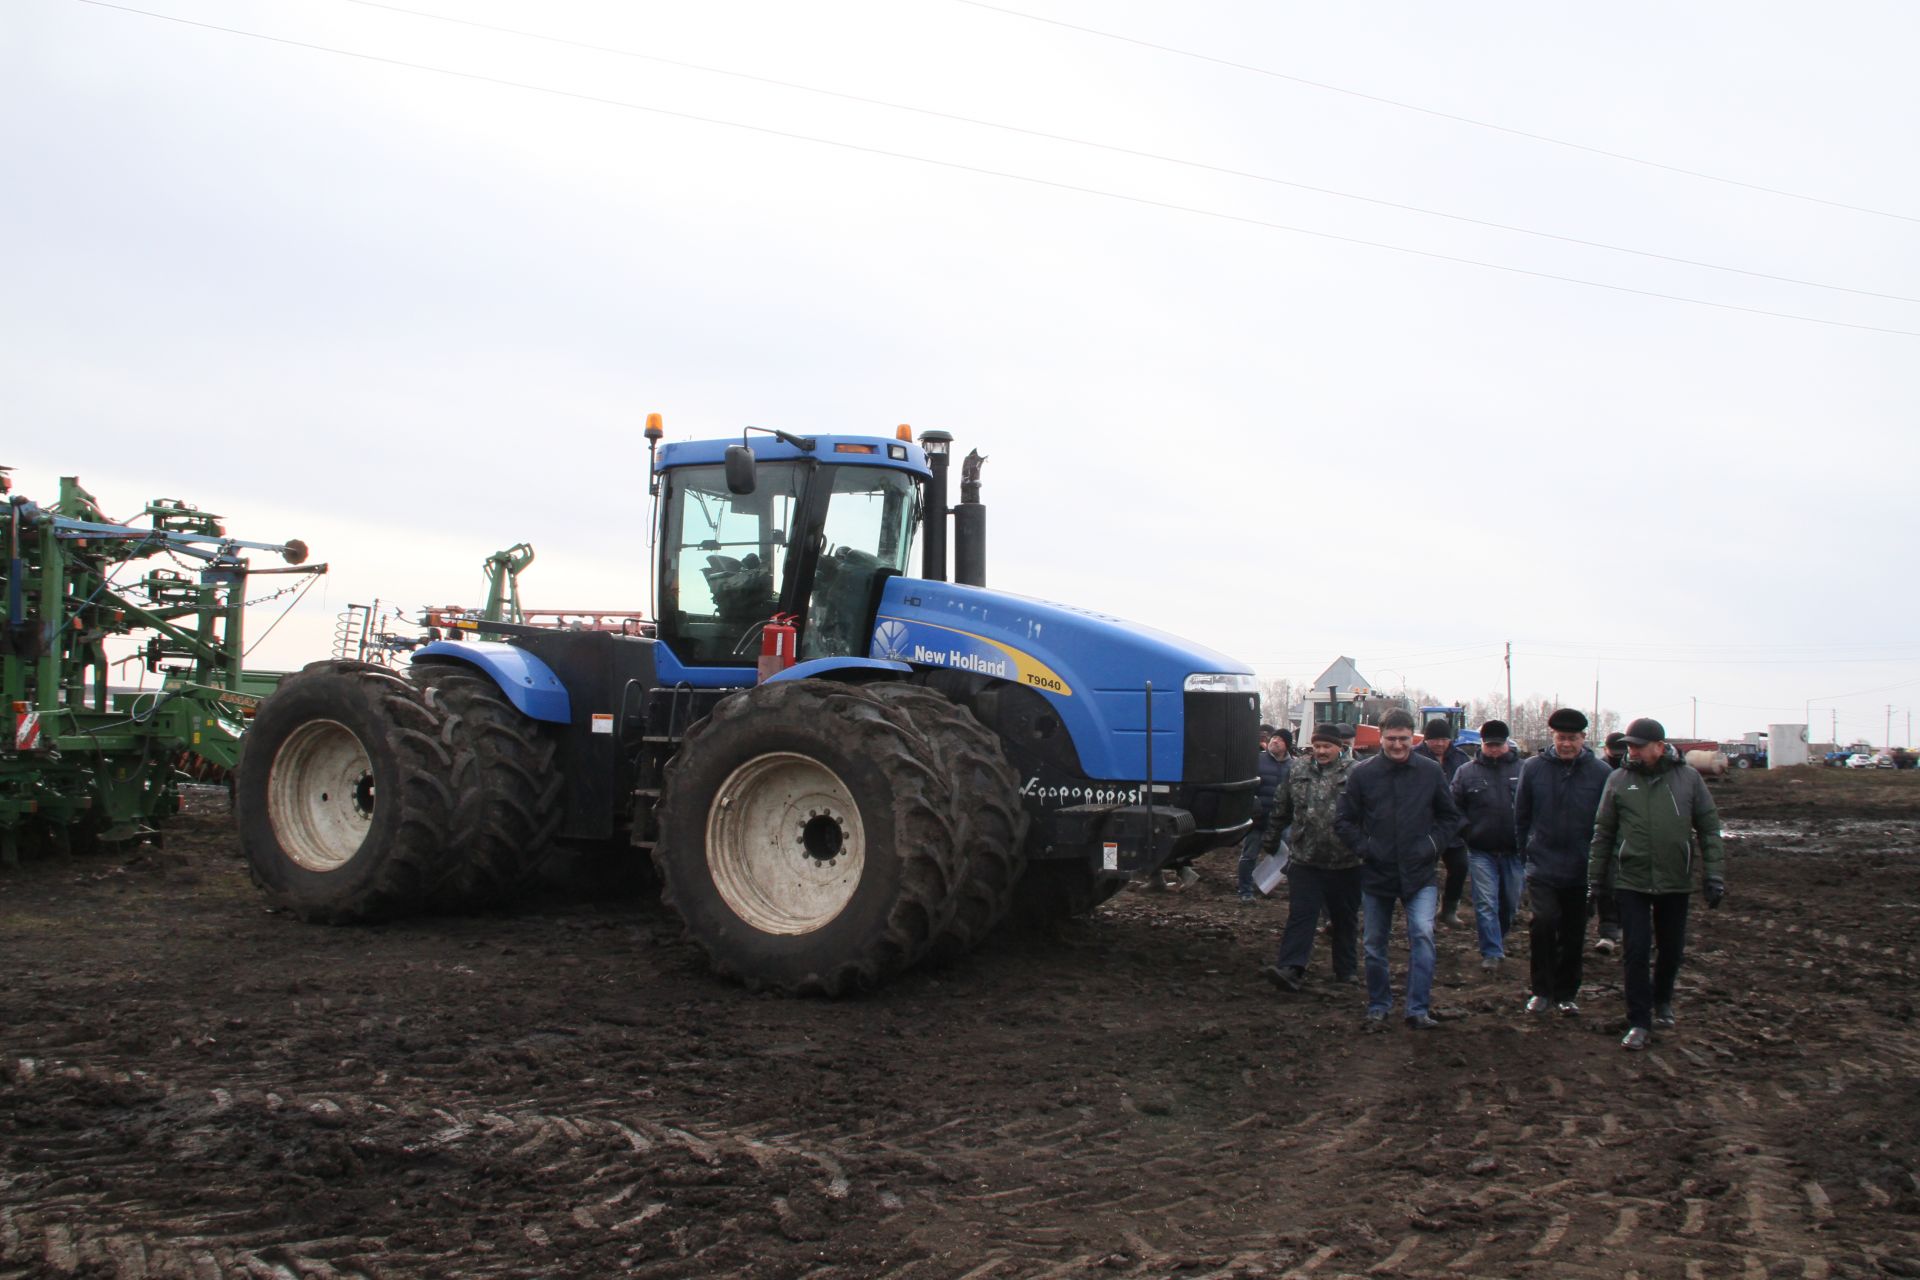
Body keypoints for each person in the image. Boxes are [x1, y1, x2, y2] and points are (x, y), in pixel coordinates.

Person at [1588, 717, 1727, 1051]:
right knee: (1635, 951)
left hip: (1674, 880)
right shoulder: (1619, 780)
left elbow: (1708, 828)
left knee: (1671, 949)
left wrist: (1714, 874)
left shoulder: (1689, 779)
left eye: (1638, 746)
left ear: (1660, 747)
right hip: (1631, 880)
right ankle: (1639, 1020)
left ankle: (1662, 1000)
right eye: (1629, 746)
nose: (1632, 751)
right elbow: (1603, 832)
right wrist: (1595, 881)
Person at [1335, 709, 1462, 1031]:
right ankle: (1379, 1004)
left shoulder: (1431, 772)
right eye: (1391, 739)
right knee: (1374, 943)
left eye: (1404, 739)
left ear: (1413, 737)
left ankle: (1417, 1008)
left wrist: (1430, 847)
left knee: (1422, 934)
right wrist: (1366, 848)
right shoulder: (1363, 774)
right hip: (1378, 874)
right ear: (1380, 737)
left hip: (1420, 874)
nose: (1397, 745)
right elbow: (1344, 820)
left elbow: (1450, 818)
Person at [1514, 707, 1612, 1018]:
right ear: (1552, 737)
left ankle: (1567, 993)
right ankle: (1541, 990)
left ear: (1584, 738)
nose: (1566, 744)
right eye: (1560, 738)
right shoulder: (1533, 768)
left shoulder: (1601, 773)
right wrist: (1524, 853)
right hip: (1542, 864)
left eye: (1572, 738)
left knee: (1573, 932)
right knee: (1543, 924)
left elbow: (1607, 821)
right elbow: (1521, 815)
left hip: (1582, 867)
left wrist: (1601, 865)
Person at [1259, 723, 1359, 990]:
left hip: (1346, 861)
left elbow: (1370, 811)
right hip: (1305, 858)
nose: (1321, 751)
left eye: (1327, 746)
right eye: (1317, 746)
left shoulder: (1356, 773)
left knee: (1344, 918)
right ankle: (1291, 968)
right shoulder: (1298, 770)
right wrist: (1270, 838)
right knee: (1301, 915)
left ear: (1340, 747)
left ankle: (1346, 970)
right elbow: (1282, 806)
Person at [1450, 719, 1524, 973]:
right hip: (1481, 850)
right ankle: (1491, 951)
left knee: (1510, 902)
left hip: (1515, 851)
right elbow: (1453, 806)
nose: (1493, 749)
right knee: (1485, 902)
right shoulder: (1467, 772)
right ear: (1481, 743)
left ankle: (1498, 938)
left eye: (1498, 745)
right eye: (1489, 745)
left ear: (1507, 744)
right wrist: (1466, 831)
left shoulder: (1524, 770)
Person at [1411, 719, 1472, 927]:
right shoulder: (1414, 757)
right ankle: (1425, 912)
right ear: (1426, 740)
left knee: (1460, 866)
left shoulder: (1461, 758)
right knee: (1426, 870)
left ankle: (1448, 909)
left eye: (1443, 739)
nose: (1439, 744)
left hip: (1453, 826)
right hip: (1424, 825)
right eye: (1434, 739)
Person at [1239, 728, 1295, 903]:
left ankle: (1265, 884)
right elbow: (1245, 786)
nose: (1274, 741)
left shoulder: (1294, 766)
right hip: (1258, 819)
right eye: (1273, 738)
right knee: (1249, 856)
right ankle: (1245, 891)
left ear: (1287, 745)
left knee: (1289, 857)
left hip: (1282, 823)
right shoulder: (1257, 760)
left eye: (1279, 739)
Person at [1592, 731, 1630, 955]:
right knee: (1604, 883)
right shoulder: (1599, 772)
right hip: (1604, 833)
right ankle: (1608, 931)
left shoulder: (1634, 774)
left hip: (1629, 836)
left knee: (1626, 884)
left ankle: (1624, 925)